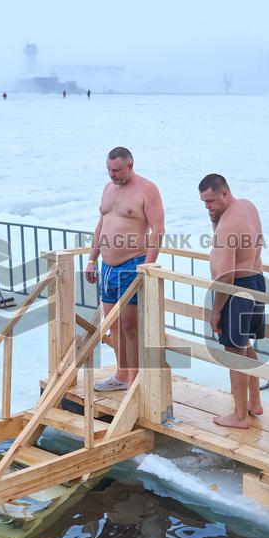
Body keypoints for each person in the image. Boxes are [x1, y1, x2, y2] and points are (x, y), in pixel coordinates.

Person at [84, 147, 165, 391]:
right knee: (113, 324)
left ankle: (135, 380)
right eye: (109, 170)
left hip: (132, 264)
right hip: (107, 267)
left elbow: (158, 230)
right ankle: (121, 375)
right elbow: (101, 225)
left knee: (130, 325)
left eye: (117, 170)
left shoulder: (147, 189)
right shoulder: (108, 189)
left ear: (130, 165)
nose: (112, 174)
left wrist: (146, 267)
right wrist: (92, 258)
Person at [198, 174, 267, 428]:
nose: (207, 206)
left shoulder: (228, 226)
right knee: (245, 343)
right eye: (204, 203)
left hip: (237, 290)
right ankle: (254, 402)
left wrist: (216, 310)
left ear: (224, 193)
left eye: (211, 201)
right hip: (256, 282)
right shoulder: (247, 206)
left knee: (234, 351)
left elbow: (226, 276)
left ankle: (239, 416)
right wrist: (214, 220)